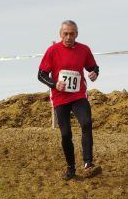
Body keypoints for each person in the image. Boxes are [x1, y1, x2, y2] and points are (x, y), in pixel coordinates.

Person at [38, 20, 102, 180]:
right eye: (65, 34)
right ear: (60, 35)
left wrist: (94, 73)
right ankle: (71, 167)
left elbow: (93, 67)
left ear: (76, 34)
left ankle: (88, 163)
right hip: (60, 98)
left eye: (71, 34)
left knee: (86, 123)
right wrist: (54, 84)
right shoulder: (52, 51)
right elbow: (41, 74)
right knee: (66, 134)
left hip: (78, 95)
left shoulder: (84, 49)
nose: (68, 37)